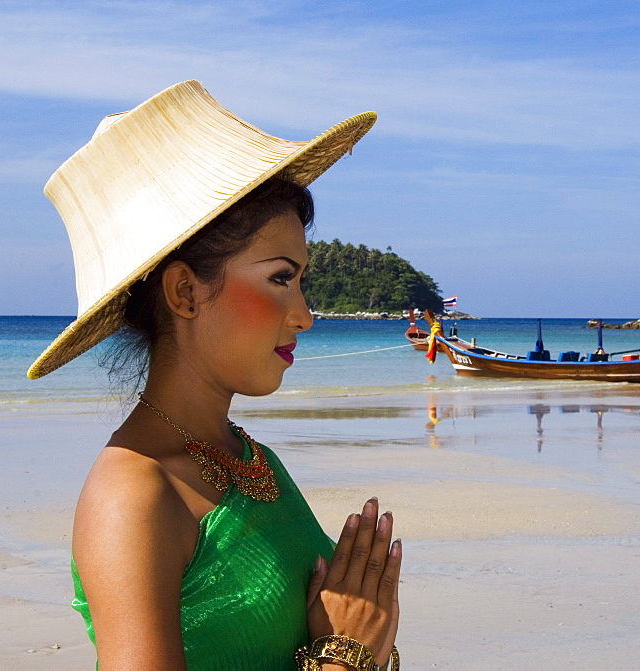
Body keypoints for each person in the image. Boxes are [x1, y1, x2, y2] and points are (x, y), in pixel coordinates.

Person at [27, 80, 400, 670]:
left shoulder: (248, 457)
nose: (304, 315)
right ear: (184, 292)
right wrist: (345, 656)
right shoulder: (133, 496)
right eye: (281, 278)